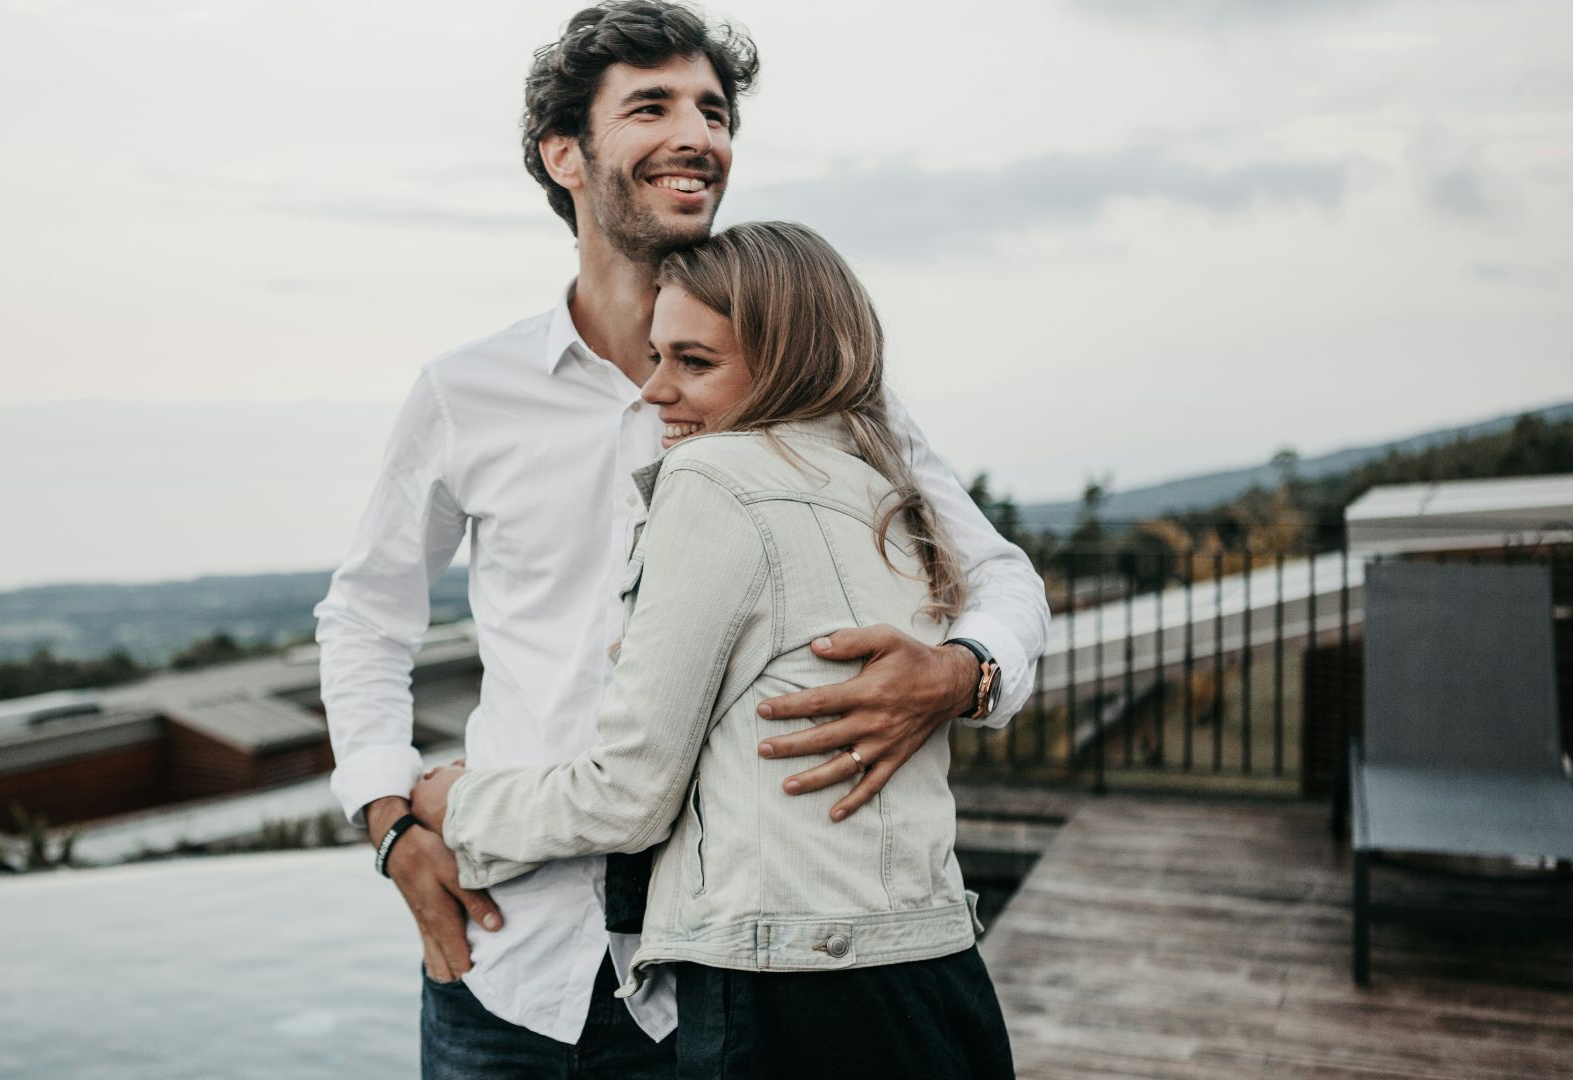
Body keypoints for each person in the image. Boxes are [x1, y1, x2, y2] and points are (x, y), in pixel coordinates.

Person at [314, 4, 1048, 1076]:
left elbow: (998, 574)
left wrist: (962, 673)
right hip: (505, 958)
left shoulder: (824, 394)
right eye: (651, 107)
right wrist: (390, 822)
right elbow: (367, 616)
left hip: (717, 987)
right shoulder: (464, 393)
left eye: (713, 110)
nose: (697, 135)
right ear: (563, 153)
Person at [407, 220, 1021, 1078]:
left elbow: (628, 796)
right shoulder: (883, 484)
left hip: (788, 991)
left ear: (789, 364)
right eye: (659, 357)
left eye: (694, 364)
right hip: (935, 969)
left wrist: (454, 805)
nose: (655, 392)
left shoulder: (711, 479)